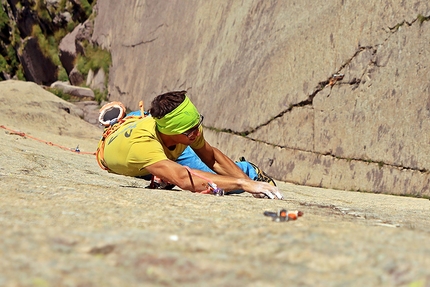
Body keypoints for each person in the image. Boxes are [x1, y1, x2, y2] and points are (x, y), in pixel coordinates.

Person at [96, 91, 283, 199]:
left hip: (140, 123)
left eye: (197, 125)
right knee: (224, 184)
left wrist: (250, 184)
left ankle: (251, 172)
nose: (196, 133)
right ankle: (247, 170)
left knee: (225, 180)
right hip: (136, 146)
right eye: (189, 131)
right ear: (170, 131)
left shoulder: (185, 131)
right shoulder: (143, 146)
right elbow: (185, 179)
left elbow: (211, 157)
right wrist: (241, 183)